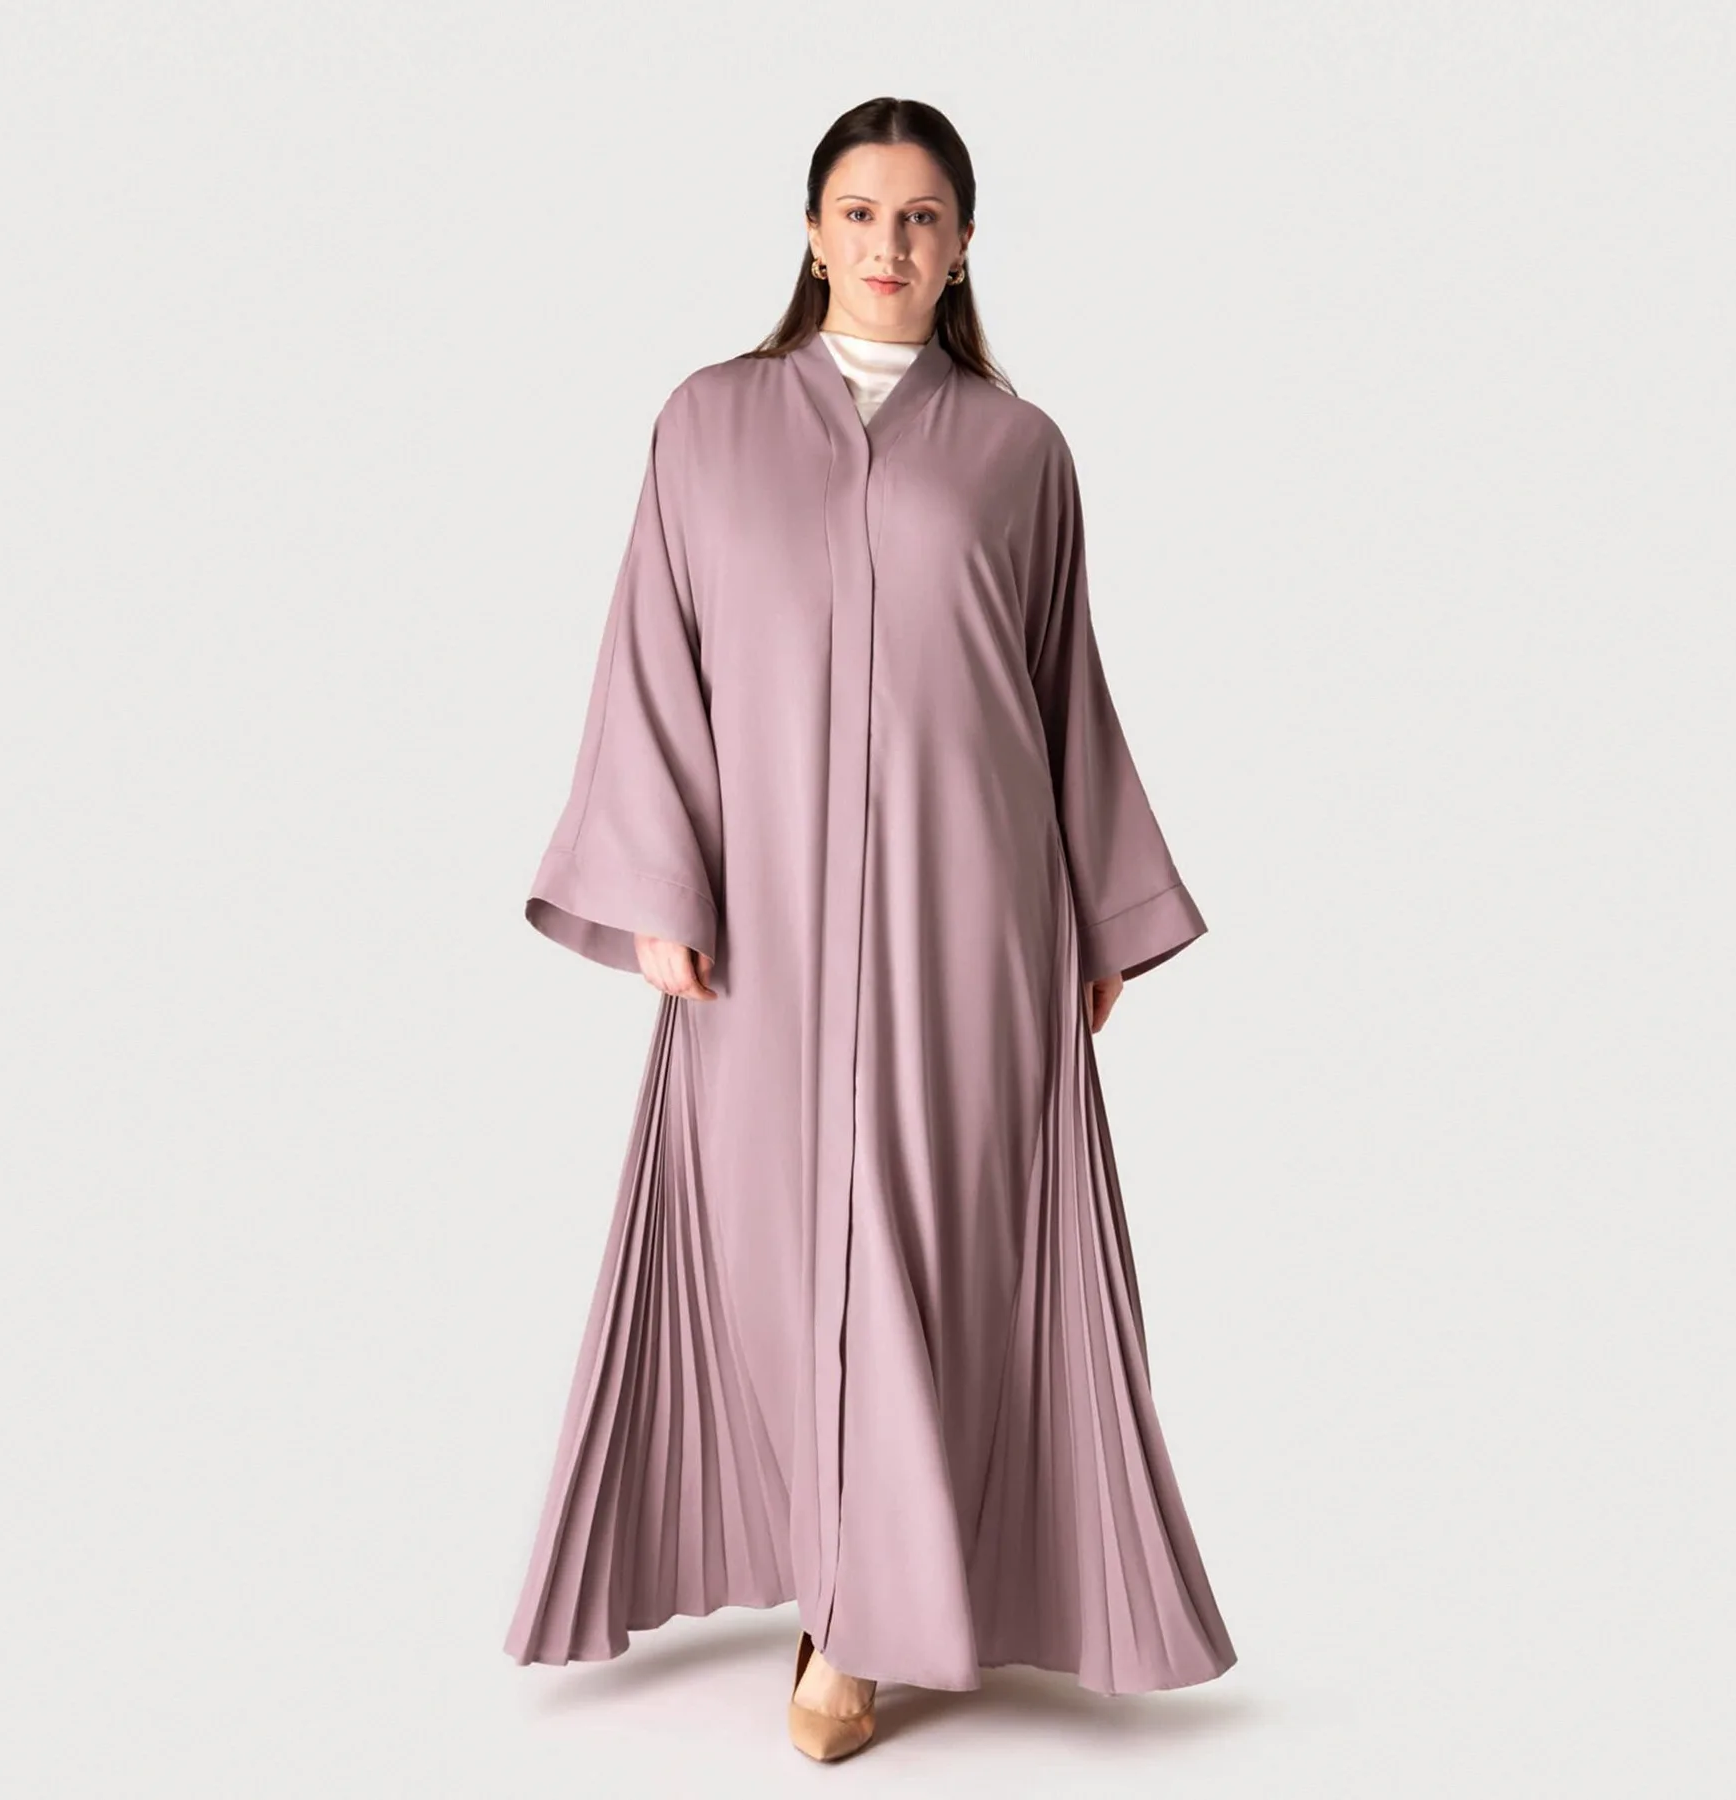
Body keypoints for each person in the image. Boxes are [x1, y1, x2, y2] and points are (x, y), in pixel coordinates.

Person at [502, 96, 1238, 1761]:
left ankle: (854, 1631)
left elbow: (1062, 694)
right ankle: (834, 1564)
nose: (888, 243)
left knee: (926, 1247)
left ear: (963, 245)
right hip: (755, 928)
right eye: (858, 211)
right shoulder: (706, 425)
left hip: (974, 919)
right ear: (811, 230)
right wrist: (658, 890)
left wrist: (1102, 916)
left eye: (920, 218)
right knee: (772, 1248)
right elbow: (652, 657)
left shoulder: (1019, 450)